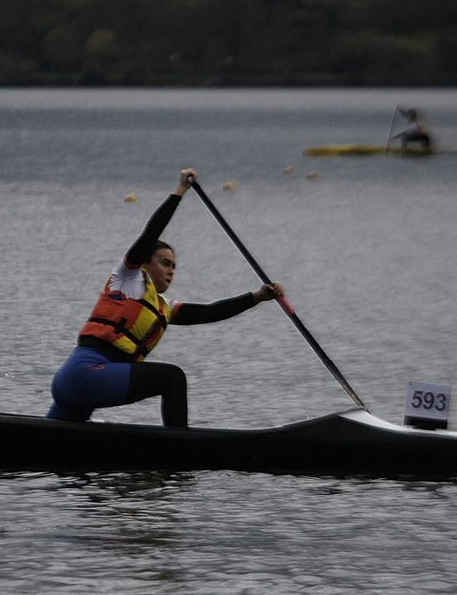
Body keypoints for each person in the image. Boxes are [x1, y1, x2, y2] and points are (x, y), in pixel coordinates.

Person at [47, 168, 283, 428]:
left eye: (174, 266)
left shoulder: (164, 308)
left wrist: (258, 296)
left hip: (79, 386)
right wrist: (180, 191)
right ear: (145, 262)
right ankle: (181, 450)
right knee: (172, 378)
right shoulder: (127, 278)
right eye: (164, 263)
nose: (171, 270)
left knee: (50, 444)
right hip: (83, 376)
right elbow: (151, 233)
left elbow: (210, 312)